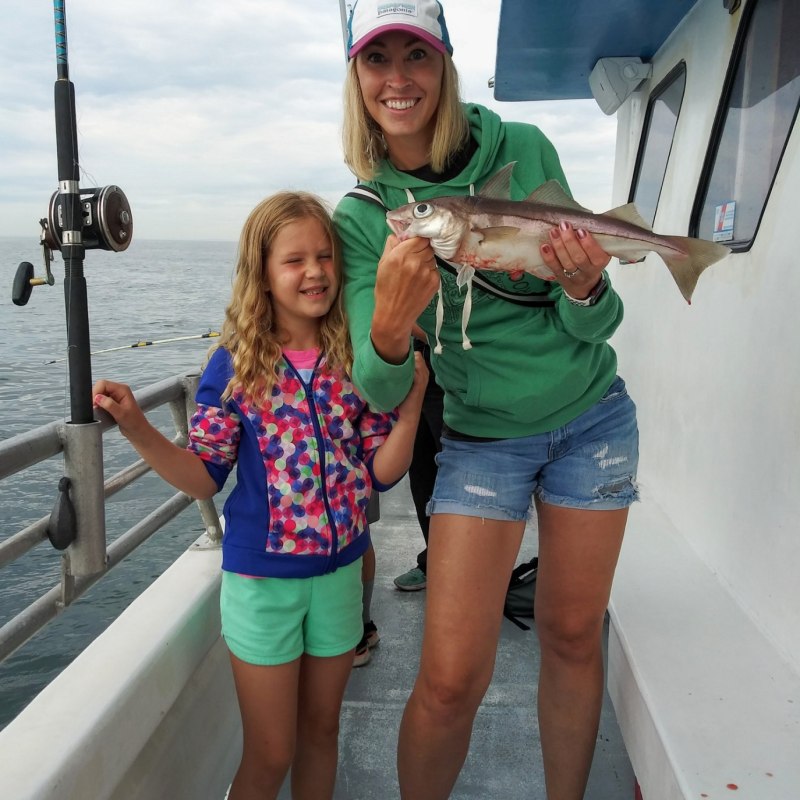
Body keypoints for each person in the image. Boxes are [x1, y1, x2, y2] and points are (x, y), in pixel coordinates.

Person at [334, 3, 639, 799]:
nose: (399, 78)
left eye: (418, 56)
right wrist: (393, 325)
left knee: (571, 636)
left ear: (445, 66)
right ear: (357, 78)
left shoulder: (524, 148)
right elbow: (379, 386)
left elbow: (599, 318)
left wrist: (581, 280)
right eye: (378, 60)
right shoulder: (367, 219)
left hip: (591, 418)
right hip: (478, 442)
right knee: (446, 681)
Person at [93, 191, 427, 800]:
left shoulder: (356, 354)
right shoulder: (235, 363)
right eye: (294, 260)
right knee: (272, 752)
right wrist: (138, 427)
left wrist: (409, 413)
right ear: (264, 276)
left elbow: (381, 473)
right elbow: (203, 475)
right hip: (262, 585)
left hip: (340, 578)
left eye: (325, 256)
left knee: (323, 731)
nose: (316, 272)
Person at [393, 336, 444, 592]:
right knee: (421, 471)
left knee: (455, 471)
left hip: (452, 360)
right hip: (413, 359)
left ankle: (464, 565)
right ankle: (434, 560)